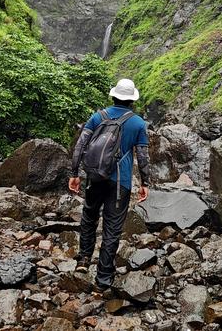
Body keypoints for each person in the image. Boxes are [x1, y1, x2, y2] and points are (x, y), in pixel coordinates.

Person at [68, 77, 151, 292]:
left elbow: (80, 145)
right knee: (112, 229)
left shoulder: (98, 117)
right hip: (119, 184)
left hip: (94, 177)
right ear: (132, 100)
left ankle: (83, 261)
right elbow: (142, 156)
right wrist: (145, 183)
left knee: (89, 216)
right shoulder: (138, 123)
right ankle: (103, 278)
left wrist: (75, 173)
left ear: (113, 95)